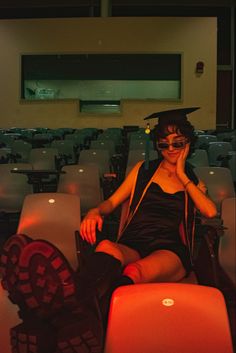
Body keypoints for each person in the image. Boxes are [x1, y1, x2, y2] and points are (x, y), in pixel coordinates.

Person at [0, 107, 217, 353]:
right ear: (156, 145)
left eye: (177, 144)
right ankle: (67, 319)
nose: (170, 150)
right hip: (134, 241)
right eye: (163, 144)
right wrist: (95, 212)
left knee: (135, 271)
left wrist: (180, 173)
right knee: (105, 248)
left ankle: (72, 323)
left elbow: (210, 212)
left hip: (169, 250)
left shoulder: (193, 180)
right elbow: (112, 202)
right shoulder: (143, 171)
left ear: (188, 144)